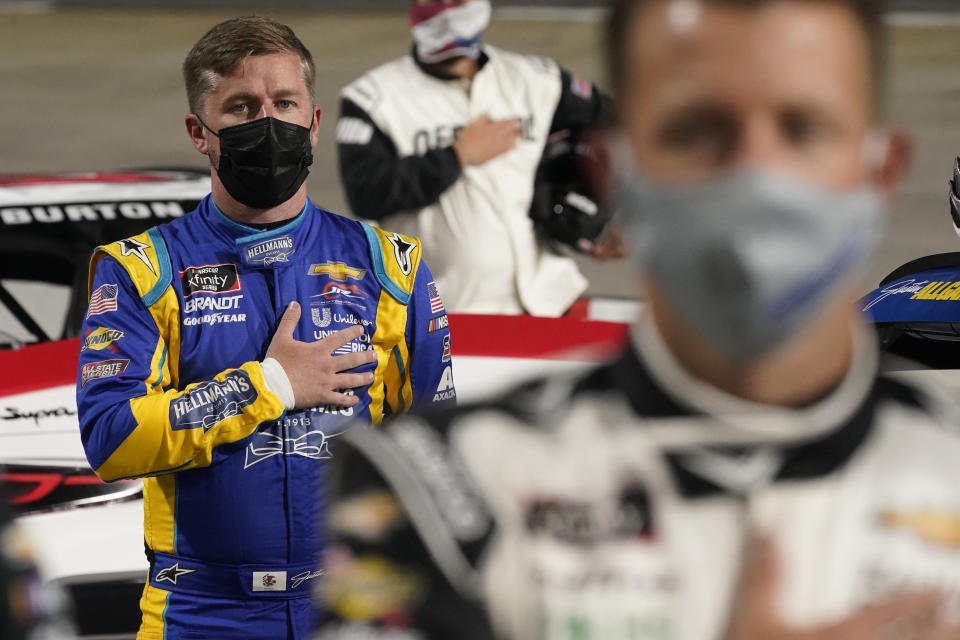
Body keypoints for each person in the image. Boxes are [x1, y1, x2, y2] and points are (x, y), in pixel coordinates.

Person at [317, 0, 960, 638]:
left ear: (883, 170)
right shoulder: (439, 488)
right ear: (613, 171)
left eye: (804, 128)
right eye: (696, 130)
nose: (756, 174)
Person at [75, 15, 455, 640]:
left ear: (314, 119)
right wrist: (271, 384)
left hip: (354, 608)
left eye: (284, 103)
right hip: (197, 612)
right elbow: (112, 441)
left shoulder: (394, 268)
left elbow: (436, 453)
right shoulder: (141, 272)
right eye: (243, 107)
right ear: (200, 132)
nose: (268, 123)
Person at [337, 0, 620, 317]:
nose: (445, 6)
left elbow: (623, 131)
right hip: (444, 316)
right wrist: (457, 155)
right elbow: (366, 194)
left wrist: (615, 218)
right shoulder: (374, 99)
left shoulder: (538, 81)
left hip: (547, 303)